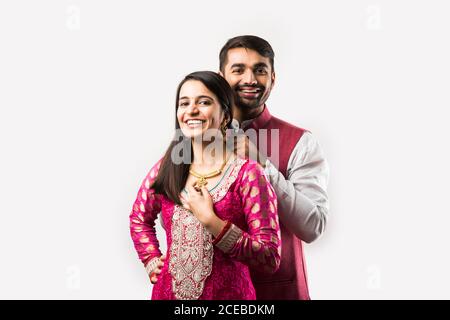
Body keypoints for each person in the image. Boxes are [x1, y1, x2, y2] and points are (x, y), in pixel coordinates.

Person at [129, 71, 281, 300]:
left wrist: (213, 222)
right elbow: (139, 217)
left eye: (204, 102)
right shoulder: (168, 167)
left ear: (226, 115)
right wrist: (151, 259)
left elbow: (270, 257)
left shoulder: (247, 175)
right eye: (184, 103)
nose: (191, 110)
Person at [219, 35, 330, 300]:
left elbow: (313, 226)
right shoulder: (195, 139)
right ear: (221, 77)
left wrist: (262, 164)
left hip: (277, 292)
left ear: (273, 78)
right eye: (238, 69)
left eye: (260, 70)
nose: (250, 79)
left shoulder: (301, 142)